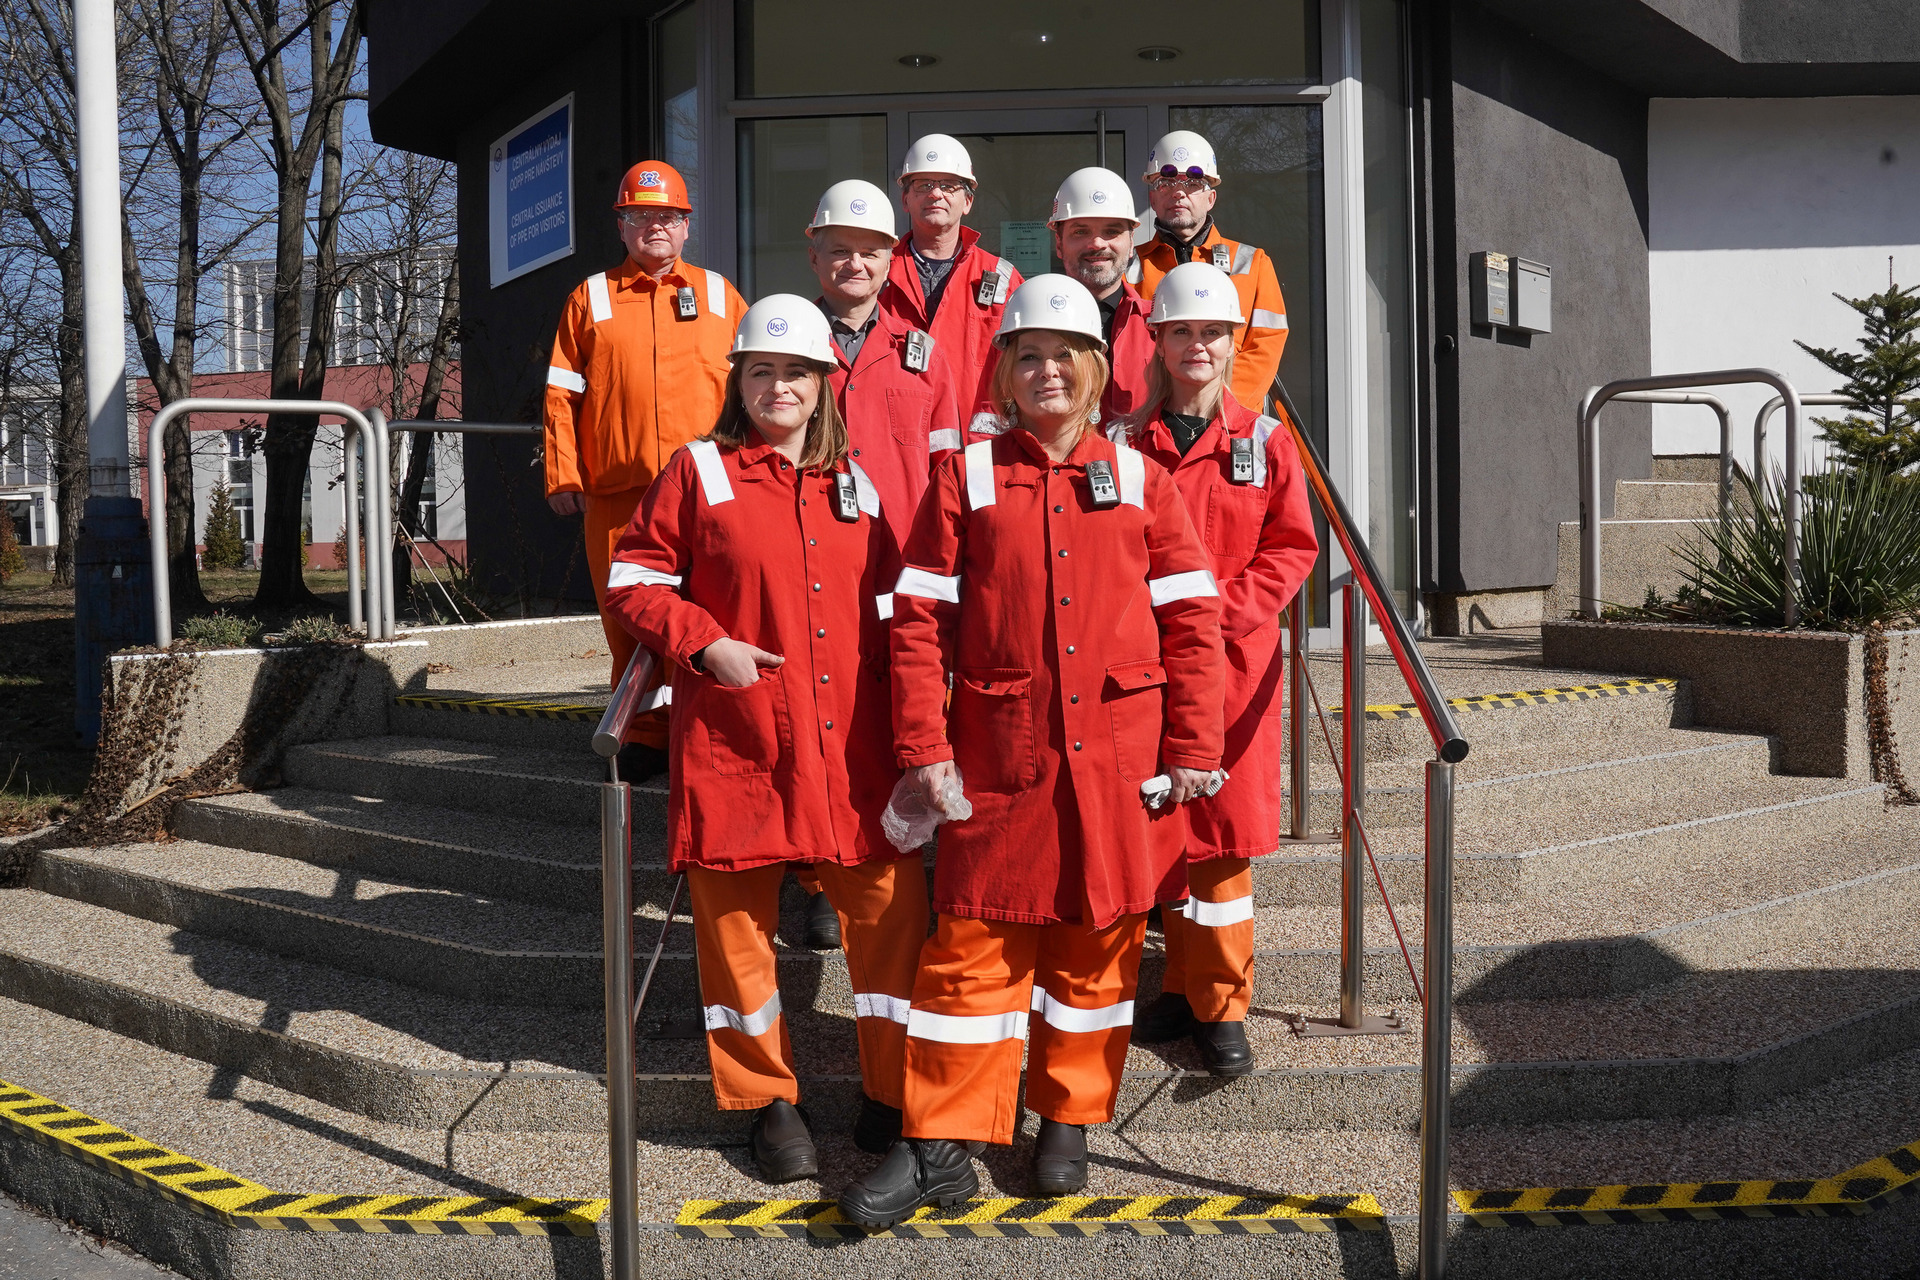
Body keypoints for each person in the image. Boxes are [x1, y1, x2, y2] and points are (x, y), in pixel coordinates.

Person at [837, 274, 1226, 1227]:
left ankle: (1067, 1116)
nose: (1047, 371)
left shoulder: (1142, 478)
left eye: (1065, 355)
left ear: (1095, 368)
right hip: (999, 755)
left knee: (1099, 947)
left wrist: (1193, 743)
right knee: (970, 951)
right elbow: (917, 621)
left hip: (1121, 758)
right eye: (1028, 356)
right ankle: (938, 1145)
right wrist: (924, 745)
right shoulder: (964, 476)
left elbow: (1193, 622)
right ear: (1004, 373)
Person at [602, 295, 926, 1181]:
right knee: (736, 931)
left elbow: (900, 607)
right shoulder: (698, 471)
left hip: (852, 747)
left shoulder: (857, 484)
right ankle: (766, 1100)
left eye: (797, 373)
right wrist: (704, 642)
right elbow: (632, 578)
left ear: (825, 384)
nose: (780, 387)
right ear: (738, 381)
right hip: (739, 737)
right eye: (762, 371)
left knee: (890, 922)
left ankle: (894, 1091)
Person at [1116, 262, 1318, 1074]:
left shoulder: (1266, 442)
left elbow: (1291, 549)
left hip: (1234, 667)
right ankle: (1181, 985)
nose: (1197, 346)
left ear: (1233, 344)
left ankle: (1223, 1005)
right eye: (1182, 332)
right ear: (1157, 341)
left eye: (1212, 333)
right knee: (1162, 824)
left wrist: (1215, 619)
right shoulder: (1122, 445)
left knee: (1221, 840)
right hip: (1144, 665)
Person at [779, 178, 964, 952]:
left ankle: (898, 858)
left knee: (903, 716)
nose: (854, 264)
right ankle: (817, 879)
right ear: (814, 255)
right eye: (839, 250)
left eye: (869, 252)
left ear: (892, 260)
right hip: (810, 563)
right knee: (814, 723)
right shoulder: (785, 347)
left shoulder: (923, 354)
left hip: (905, 574)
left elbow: (948, 465)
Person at [545, 160, 749, 776]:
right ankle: (643, 735)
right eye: (640, 215)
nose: (654, 226)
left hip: (710, 489)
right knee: (628, 617)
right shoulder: (590, 298)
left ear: (686, 225)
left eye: (667, 216)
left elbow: (755, 389)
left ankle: (716, 726)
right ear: (622, 225)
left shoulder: (721, 296)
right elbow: (561, 393)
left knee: (716, 608)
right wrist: (563, 473)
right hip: (620, 491)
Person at [1134, 131, 1291, 412]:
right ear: (1153, 198)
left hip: (1232, 421)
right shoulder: (1130, 266)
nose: (1178, 192)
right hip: (1152, 422)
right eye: (1165, 183)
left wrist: (1215, 410)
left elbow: (1265, 346)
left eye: (1193, 183)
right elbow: (1130, 354)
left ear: (1211, 198)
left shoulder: (1253, 263)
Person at [882, 134, 1023, 430]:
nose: (936, 194)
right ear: (905, 199)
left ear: (967, 201)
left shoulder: (1003, 279)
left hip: (980, 448)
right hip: (899, 442)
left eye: (948, 186)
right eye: (923, 185)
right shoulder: (878, 274)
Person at [1048, 167, 1155, 426]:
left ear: (1131, 243)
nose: (1097, 244)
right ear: (1059, 244)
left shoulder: (1160, 327)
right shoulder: (1029, 328)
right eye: (1081, 231)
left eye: (1111, 231)